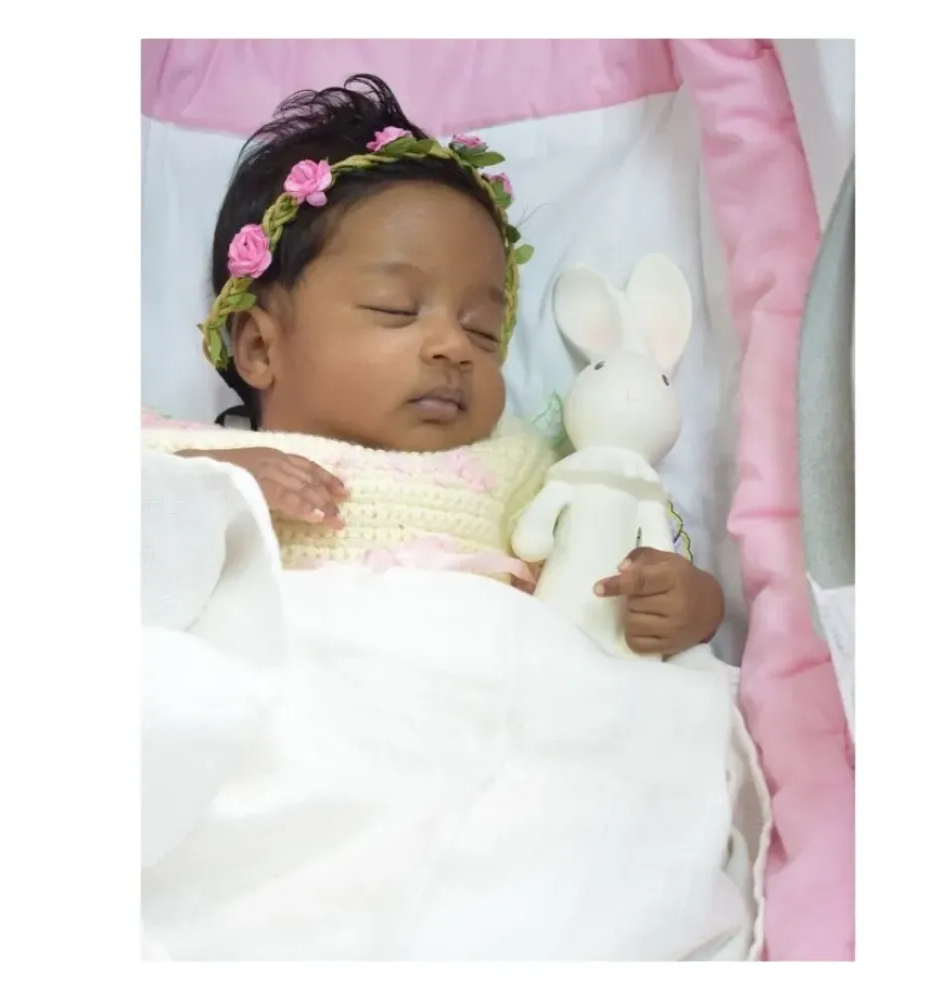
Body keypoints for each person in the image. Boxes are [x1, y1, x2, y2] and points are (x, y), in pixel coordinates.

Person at [157, 74, 724, 657]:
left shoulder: (516, 462)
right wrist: (206, 484)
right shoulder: (189, 457)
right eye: (396, 309)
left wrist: (689, 604)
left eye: (482, 331)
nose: (454, 346)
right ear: (260, 348)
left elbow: (600, 569)